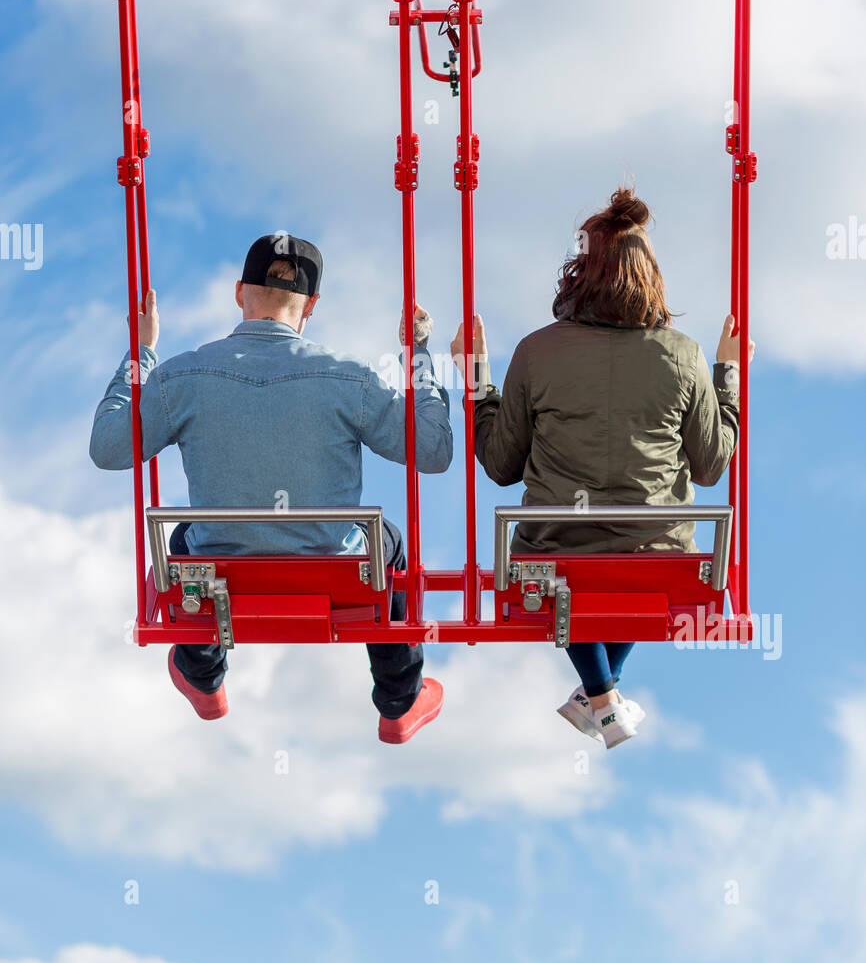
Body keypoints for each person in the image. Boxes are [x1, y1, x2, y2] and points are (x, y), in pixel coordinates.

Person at [90, 232, 452, 743]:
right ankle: (399, 699)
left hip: (223, 571)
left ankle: (203, 675)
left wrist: (142, 353)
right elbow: (434, 452)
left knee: (182, 546)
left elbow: (108, 449)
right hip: (334, 569)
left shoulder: (183, 376)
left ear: (240, 292)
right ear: (313, 306)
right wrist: (418, 354)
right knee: (388, 542)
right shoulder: (351, 377)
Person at [450, 187, 754, 749]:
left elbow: (499, 464)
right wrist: (728, 377)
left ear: (578, 273)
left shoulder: (536, 351)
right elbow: (712, 466)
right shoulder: (683, 354)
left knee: (572, 576)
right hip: (661, 557)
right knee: (623, 571)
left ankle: (601, 697)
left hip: (553, 551)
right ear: (650, 276)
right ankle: (603, 698)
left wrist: (476, 378)